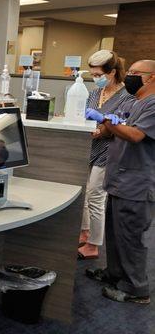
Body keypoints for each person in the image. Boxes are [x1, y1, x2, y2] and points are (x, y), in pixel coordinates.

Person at [85, 59, 155, 304]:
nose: (130, 77)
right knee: (116, 233)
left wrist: (105, 120)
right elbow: (121, 126)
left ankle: (137, 289)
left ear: (152, 77)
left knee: (131, 238)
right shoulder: (137, 102)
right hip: (120, 179)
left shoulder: (153, 105)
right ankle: (115, 274)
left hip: (136, 183)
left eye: (136, 73)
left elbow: (135, 135)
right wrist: (112, 122)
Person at [78, 50, 132, 260]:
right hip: (89, 147)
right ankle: (84, 231)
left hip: (109, 150)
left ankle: (93, 245)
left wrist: (102, 129)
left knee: (95, 196)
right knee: (83, 193)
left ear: (113, 72)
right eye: (93, 75)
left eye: (99, 75)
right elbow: (85, 116)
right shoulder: (93, 94)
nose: (96, 79)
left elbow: (121, 124)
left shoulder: (126, 97)